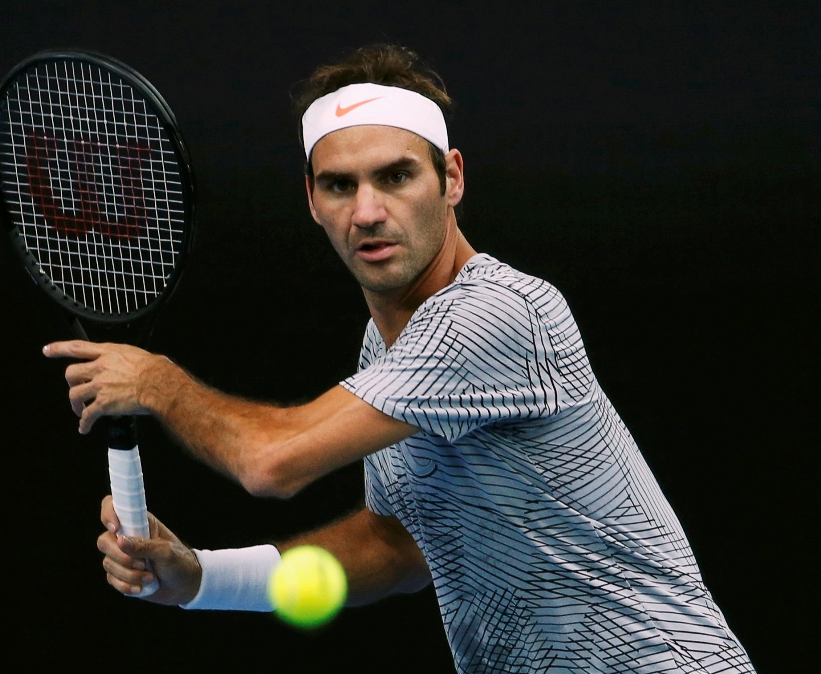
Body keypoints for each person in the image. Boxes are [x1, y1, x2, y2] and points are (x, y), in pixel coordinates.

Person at [43, 43, 756, 673]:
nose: (368, 211)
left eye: (396, 177)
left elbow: (270, 461)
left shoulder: (494, 315)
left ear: (451, 179)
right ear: (312, 201)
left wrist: (161, 384)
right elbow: (398, 546)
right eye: (340, 185)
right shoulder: (388, 350)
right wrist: (202, 579)